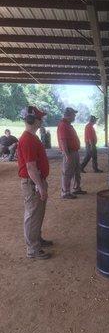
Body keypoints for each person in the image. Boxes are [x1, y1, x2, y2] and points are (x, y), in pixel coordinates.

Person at [17, 106, 53, 260]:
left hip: (36, 181)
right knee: (32, 215)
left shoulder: (32, 137)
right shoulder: (27, 139)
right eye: (39, 118)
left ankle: (37, 240)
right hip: (32, 183)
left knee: (38, 213)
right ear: (31, 120)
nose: (41, 120)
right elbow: (31, 167)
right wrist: (40, 186)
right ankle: (33, 249)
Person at [57, 107, 87, 199]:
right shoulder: (63, 125)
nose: (75, 116)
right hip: (69, 152)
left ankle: (76, 188)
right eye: (74, 114)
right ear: (69, 115)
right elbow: (63, 141)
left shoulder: (68, 124)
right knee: (67, 172)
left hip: (73, 151)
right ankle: (65, 192)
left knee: (76, 171)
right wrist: (66, 155)